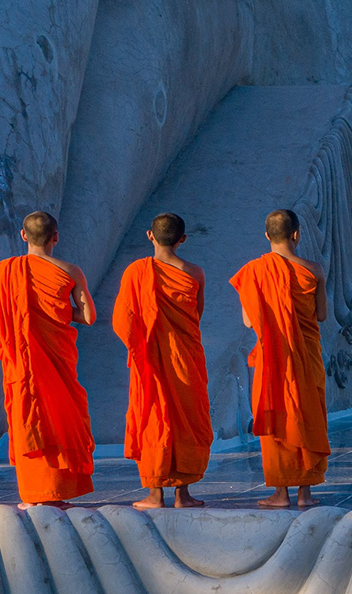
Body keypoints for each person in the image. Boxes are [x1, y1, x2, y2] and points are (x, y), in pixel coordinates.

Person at [0, 210, 95, 506]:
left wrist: (24, 314)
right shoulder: (70, 271)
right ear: (55, 237)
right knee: (61, 415)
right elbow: (89, 317)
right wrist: (57, 311)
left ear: (23, 235)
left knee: (28, 418)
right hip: (56, 362)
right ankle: (60, 492)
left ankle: (34, 494)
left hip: (22, 363)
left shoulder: (1, 273)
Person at [230, 209, 330, 509]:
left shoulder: (253, 272)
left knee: (279, 419)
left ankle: (280, 494)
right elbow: (321, 315)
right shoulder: (314, 270)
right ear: (296, 234)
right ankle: (305, 494)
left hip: (273, 359)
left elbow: (249, 322)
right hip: (307, 357)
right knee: (308, 414)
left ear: (266, 236)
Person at [112, 212, 212, 509]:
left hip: (150, 359)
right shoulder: (195, 273)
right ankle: (183, 495)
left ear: (149, 235)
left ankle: (155, 495)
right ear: (182, 240)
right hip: (185, 357)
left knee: (154, 417)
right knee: (186, 417)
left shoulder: (135, 271)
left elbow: (122, 320)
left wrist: (139, 347)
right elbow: (196, 316)